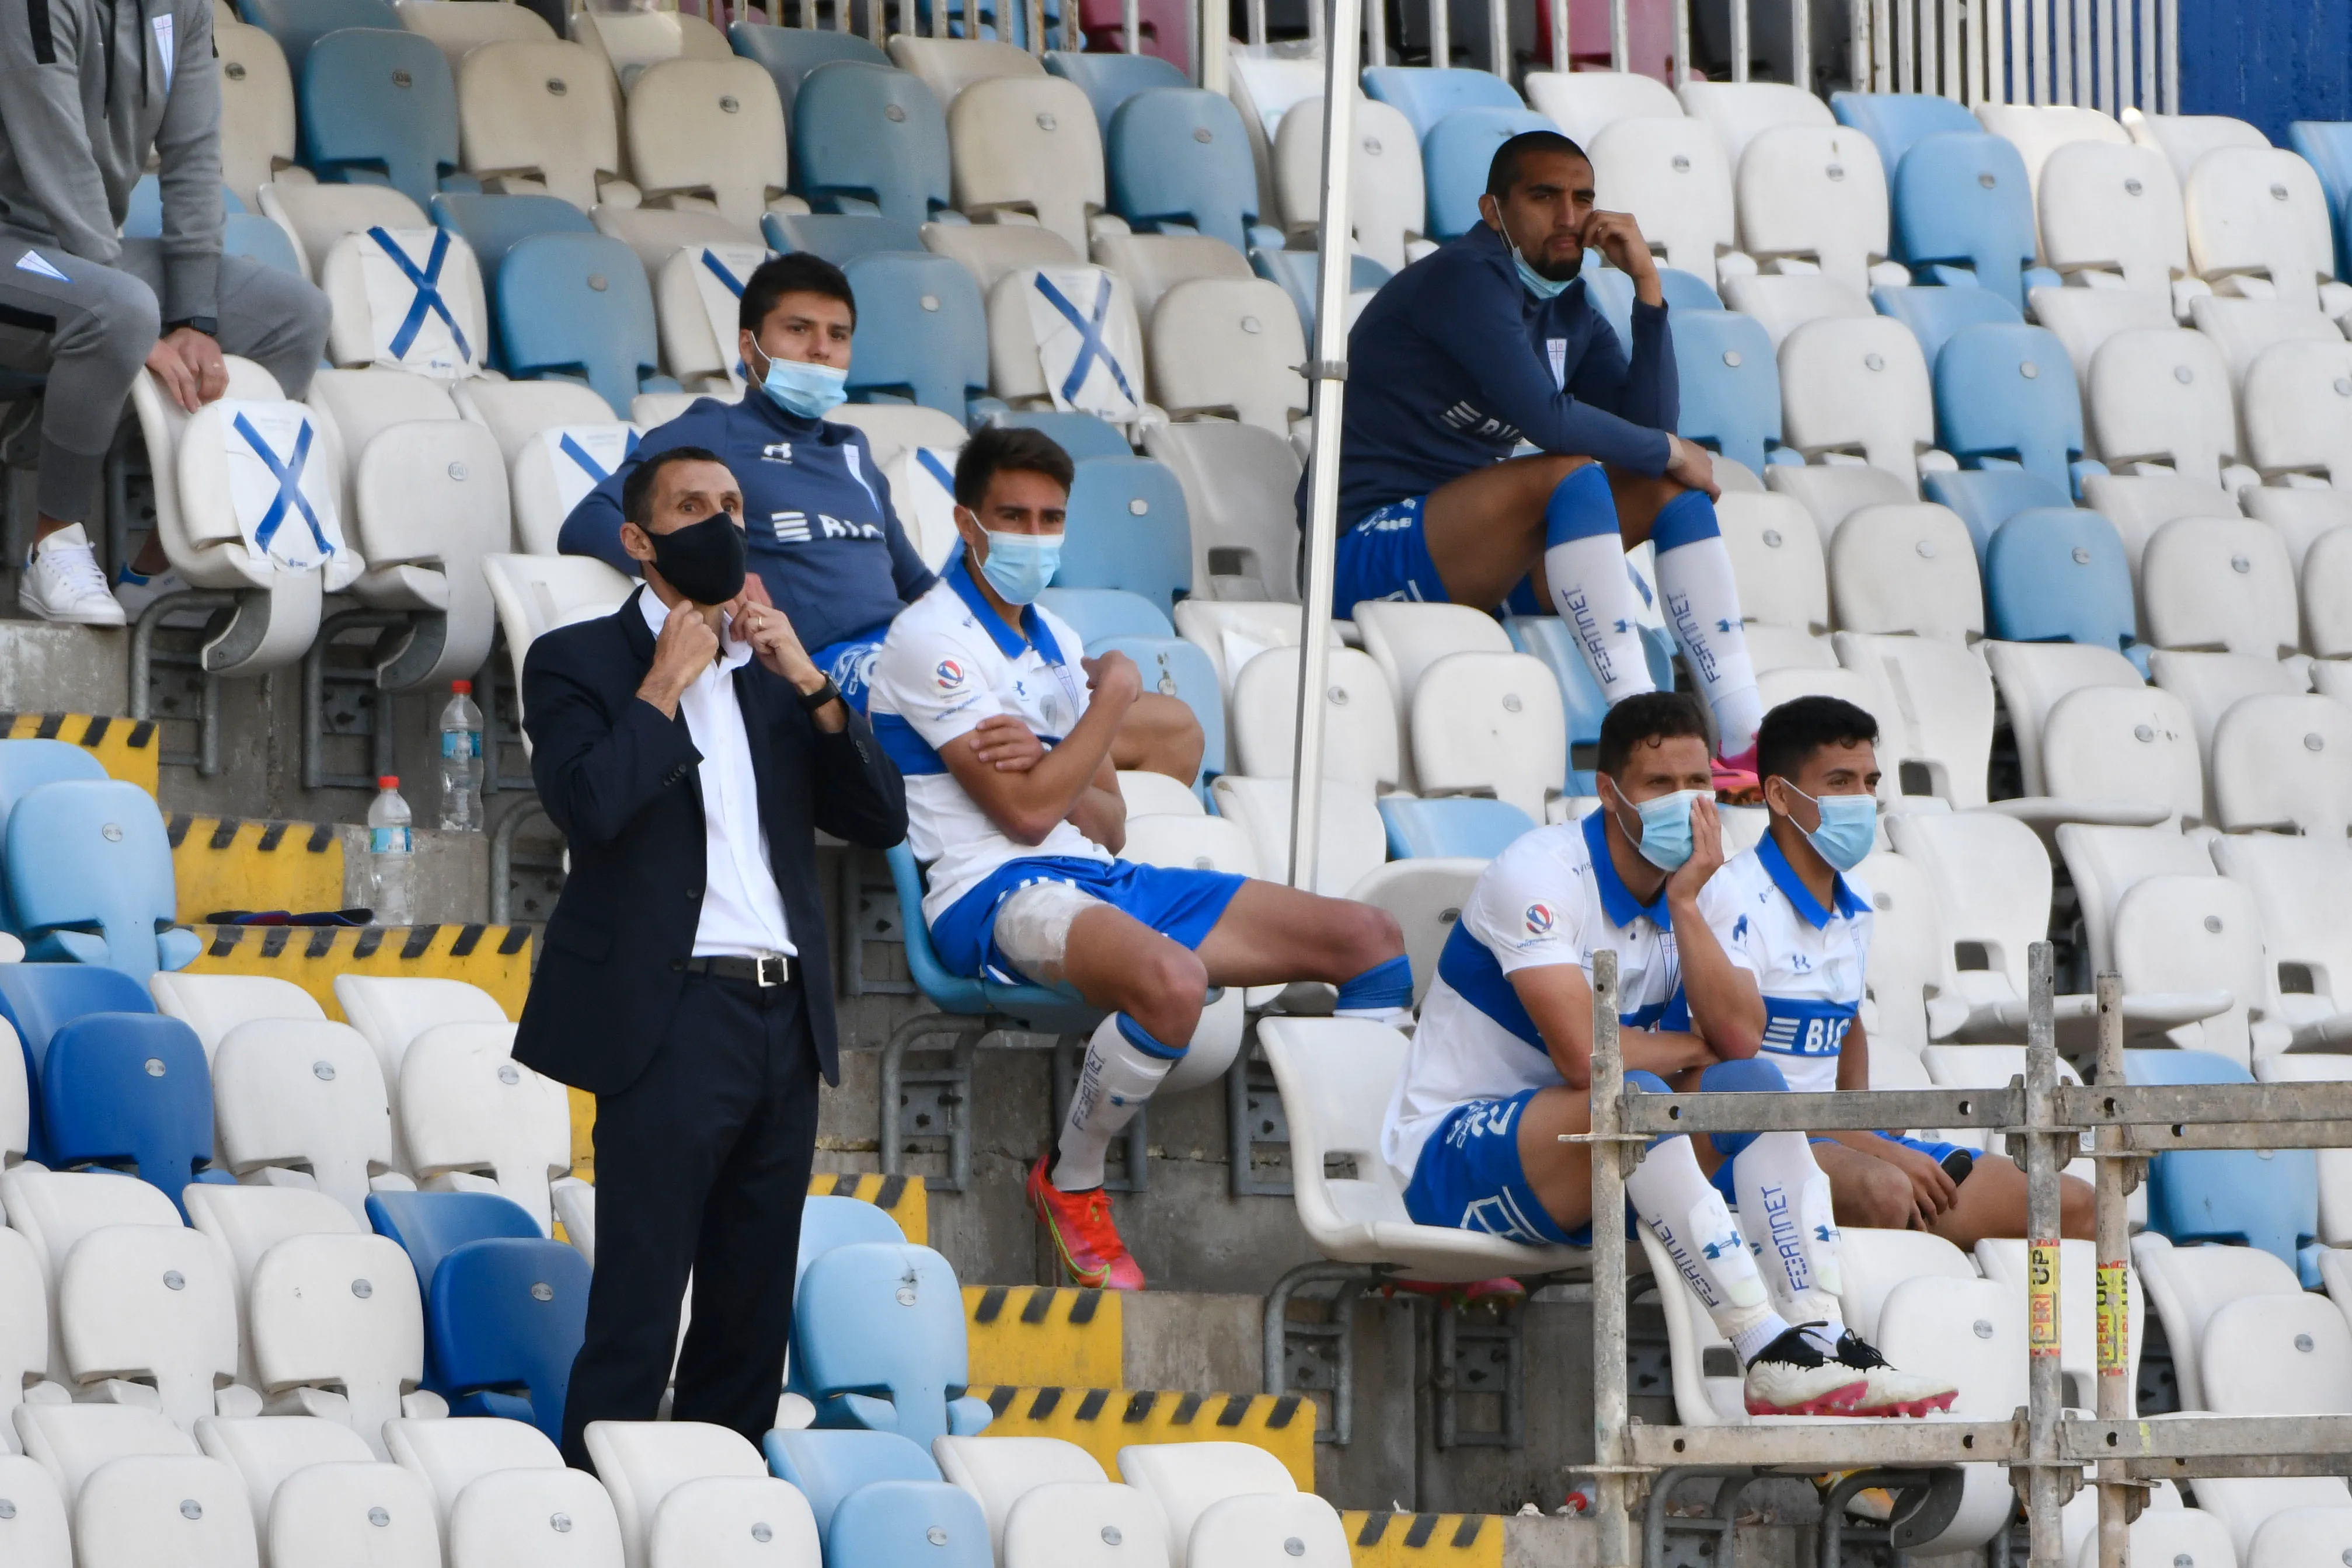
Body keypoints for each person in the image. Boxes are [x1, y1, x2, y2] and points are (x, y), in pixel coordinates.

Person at [867, 425, 1414, 1291]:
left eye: (1051, 518)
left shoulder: (1050, 634)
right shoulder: (929, 640)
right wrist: (1108, 704)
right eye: (1013, 515)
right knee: (1173, 984)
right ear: (967, 522)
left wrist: (1057, 748)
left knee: (1371, 939)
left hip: (1096, 872)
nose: (1034, 535)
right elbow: (1023, 812)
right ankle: (1071, 1177)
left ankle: (1390, 1193)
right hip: (992, 891)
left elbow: (1108, 820)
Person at [1382, 692, 1956, 1416]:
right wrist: (1692, 1044)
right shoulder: (1539, 874)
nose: (1683, 804)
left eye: (1698, 785)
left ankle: (1824, 1337)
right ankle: (1761, 1348)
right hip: (1454, 1159)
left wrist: (1686, 906)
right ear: (1608, 791)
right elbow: (1584, 1060)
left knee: (1753, 1083)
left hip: (1600, 1156)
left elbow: (1742, 1042)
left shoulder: (1699, 885)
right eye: (1660, 785)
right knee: (1641, 1093)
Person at [513, 445, 908, 1467]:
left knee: (749, 1316)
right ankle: (594, 1514)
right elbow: (588, 807)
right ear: (639, 540)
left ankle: (716, 1519)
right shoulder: (575, 658)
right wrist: (661, 687)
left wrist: (812, 679)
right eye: (693, 507)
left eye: (732, 505)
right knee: (640, 1300)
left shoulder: (779, 675)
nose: (720, 521)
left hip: (785, 1015)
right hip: (670, 1012)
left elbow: (877, 818)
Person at [561, 252, 1202, 783]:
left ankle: (1091, 874)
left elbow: (919, 586)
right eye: (798, 330)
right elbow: (591, 518)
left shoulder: (854, 454)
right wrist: (713, 585)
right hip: (820, 669)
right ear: (749, 345)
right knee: (1021, 734)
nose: (820, 351)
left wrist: (1038, 650)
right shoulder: (715, 430)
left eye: (837, 336)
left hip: (905, 650)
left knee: (1174, 727)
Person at [1324, 129, 1763, 783]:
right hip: (1367, 549)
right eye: (1543, 196)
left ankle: (1744, 734)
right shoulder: (1465, 277)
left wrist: (1647, 286)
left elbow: (1648, 436)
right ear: (1492, 210)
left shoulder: (1570, 307)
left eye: (1582, 198)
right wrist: (1668, 448)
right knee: (1572, 474)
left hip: (1480, 558)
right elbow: (1547, 421)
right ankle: (1641, 737)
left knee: (1673, 492)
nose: (1568, 216)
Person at [1696, 696, 2095, 1247]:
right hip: (1750, 1147)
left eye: (1868, 781)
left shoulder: (1855, 899)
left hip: (1841, 1138)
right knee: (1886, 1192)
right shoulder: (1731, 897)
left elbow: (1845, 1024)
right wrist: (1873, 1146)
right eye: (1839, 782)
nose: (1861, 799)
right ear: (1778, 795)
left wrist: (1862, 1128)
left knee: (2073, 1206)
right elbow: (1725, 1070)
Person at [0, 0, 332, 625]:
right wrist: (144, 323)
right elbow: (59, 160)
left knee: (297, 314)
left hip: (85, 258)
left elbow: (196, 156)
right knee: (121, 307)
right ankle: (54, 545)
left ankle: (165, 564)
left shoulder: (184, 10)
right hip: (14, 246)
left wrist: (196, 319)